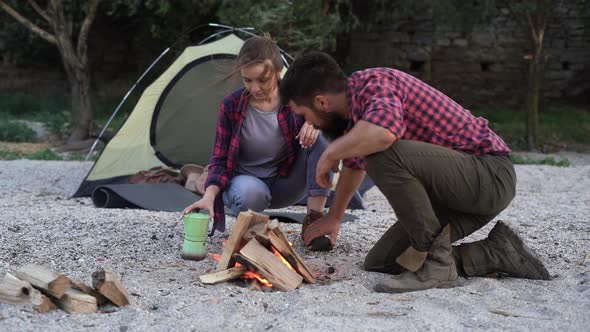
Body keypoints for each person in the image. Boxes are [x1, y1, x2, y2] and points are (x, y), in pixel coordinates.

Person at [278, 51, 550, 293]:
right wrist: (334, 218)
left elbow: (384, 135)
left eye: (303, 115)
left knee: (383, 155)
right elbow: (354, 165)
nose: (307, 123)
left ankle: (438, 266)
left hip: (489, 176)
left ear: (322, 102)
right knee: (382, 262)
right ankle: (494, 252)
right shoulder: (354, 121)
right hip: (456, 196)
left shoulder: (375, 83)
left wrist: (330, 151)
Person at [182, 36, 332, 250]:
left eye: (262, 80)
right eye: (247, 80)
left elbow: (334, 115)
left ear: (279, 71)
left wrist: (316, 122)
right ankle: (251, 228)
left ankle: (314, 221)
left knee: (322, 136)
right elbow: (220, 159)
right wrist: (209, 195)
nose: (255, 88)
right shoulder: (231, 106)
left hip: (284, 182)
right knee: (250, 193)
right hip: (246, 185)